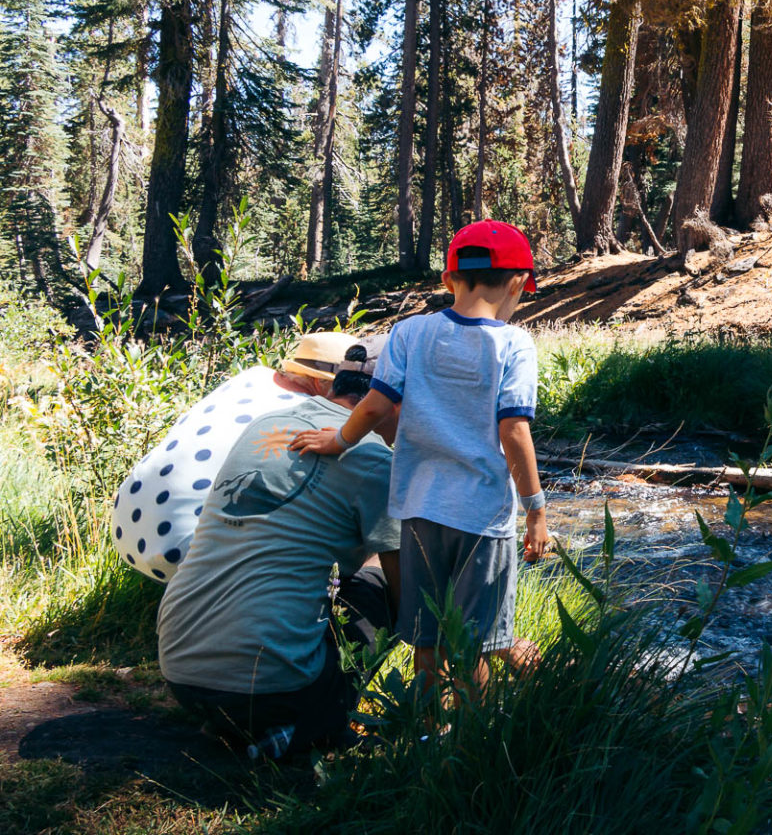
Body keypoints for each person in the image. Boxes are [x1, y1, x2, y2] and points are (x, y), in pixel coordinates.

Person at [290, 220, 549, 695]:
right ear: (517, 283)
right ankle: (474, 739)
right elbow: (513, 431)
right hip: (481, 517)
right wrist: (536, 512)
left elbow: (375, 405)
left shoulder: (409, 332)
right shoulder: (514, 344)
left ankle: (424, 729)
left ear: (449, 280)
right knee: (476, 641)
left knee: (426, 639)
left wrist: (337, 442)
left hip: (418, 509)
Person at [156, 338, 400, 759]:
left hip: (179, 673)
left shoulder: (264, 425)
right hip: (267, 689)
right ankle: (309, 728)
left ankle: (235, 721)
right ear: (390, 401)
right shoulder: (376, 458)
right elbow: (410, 593)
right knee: (379, 579)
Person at [111, 331, 359, 582]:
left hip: (126, 528)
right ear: (321, 383)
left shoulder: (254, 377)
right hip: (190, 555)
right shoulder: (305, 413)